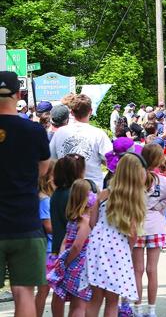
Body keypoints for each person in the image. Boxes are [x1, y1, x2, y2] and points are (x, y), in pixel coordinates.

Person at [0, 72, 52, 317]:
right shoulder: (33, 131)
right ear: (18, 95)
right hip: (26, 223)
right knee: (23, 292)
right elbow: (43, 169)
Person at [84, 153, 147, 317]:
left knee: (95, 299)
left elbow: (92, 222)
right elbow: (133, 233)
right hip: (118, 248)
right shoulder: (132, 199)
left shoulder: (104, 193)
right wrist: (129, 248)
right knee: (112, 301)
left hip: (96, 245)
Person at [133, 145, 166, 317]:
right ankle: (152, 310)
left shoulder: (134, 178)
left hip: (136, 226)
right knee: (152, 270)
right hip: (156, 226)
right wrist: (159, 205)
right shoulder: (161, 180)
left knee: (137, 270)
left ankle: (138, 309)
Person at [47, 179, 95, 317]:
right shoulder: (85, 221)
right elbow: (77, 246)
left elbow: (65, 240)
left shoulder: (73, 220)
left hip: (68, 262)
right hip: (80, 265)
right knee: (79, 305)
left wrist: (62, 259)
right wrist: (67, 261)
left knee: (64, 297)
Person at [50, 94, 112, 191]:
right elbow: (111, 161)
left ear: (71, 112)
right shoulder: (98, 134)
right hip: (91, 192)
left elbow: (51, 160)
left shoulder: (59, 133)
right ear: (90, 111)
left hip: (66, 189)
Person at [35, 160, 56, 317]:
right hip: (48, 250)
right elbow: (48, 226)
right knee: (43, 289)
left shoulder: (48, 197)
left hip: (50, 249)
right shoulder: (45, 199)